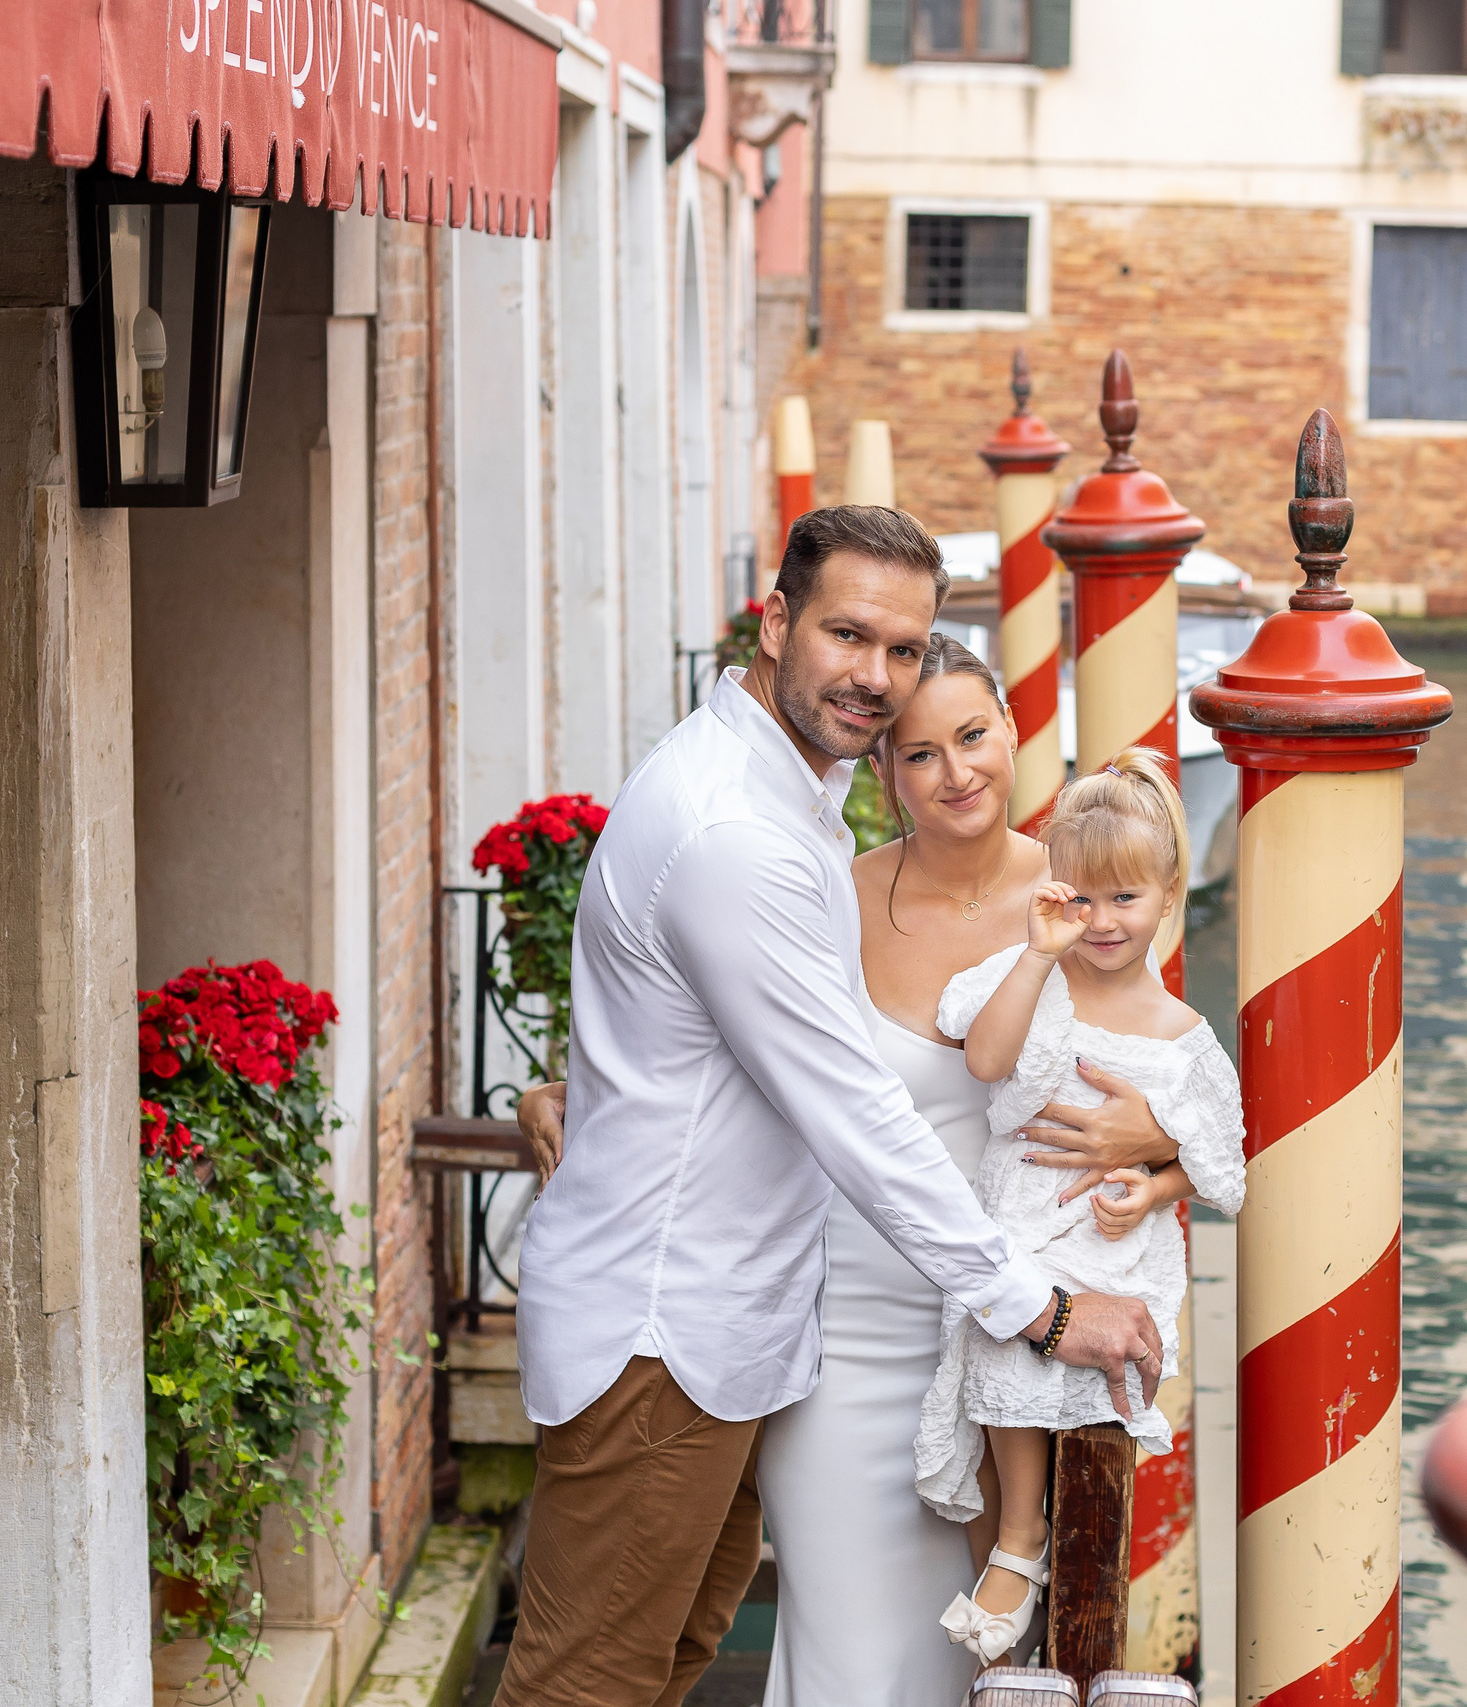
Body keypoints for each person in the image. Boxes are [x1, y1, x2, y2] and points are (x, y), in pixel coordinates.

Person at [493, 507, 1164, 1707]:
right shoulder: (738, 833)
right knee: (584, 1687)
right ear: (775, 622)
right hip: (665, 1329)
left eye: (902, 649)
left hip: (737, 1334)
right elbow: (852, 1108)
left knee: (661, 1665)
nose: (875, 675)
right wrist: (1044, 1311)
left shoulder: (787, 793)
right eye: (848, 635)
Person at [914, 751, 1245, 1663]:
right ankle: (1019, 1534)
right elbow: (986, 1059)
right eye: (1082, 898)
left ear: (1168, 894)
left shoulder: (1182, 1037)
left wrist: (1157, 1183)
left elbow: (1222, 1164)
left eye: (1125, 899)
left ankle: (1065, 1569)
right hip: (1019, 1222)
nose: (1101, 922)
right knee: (1008, 1320)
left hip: (1112, 1244)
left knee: (1086, 1374)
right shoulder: (1036, 980)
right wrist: (1035, 952)